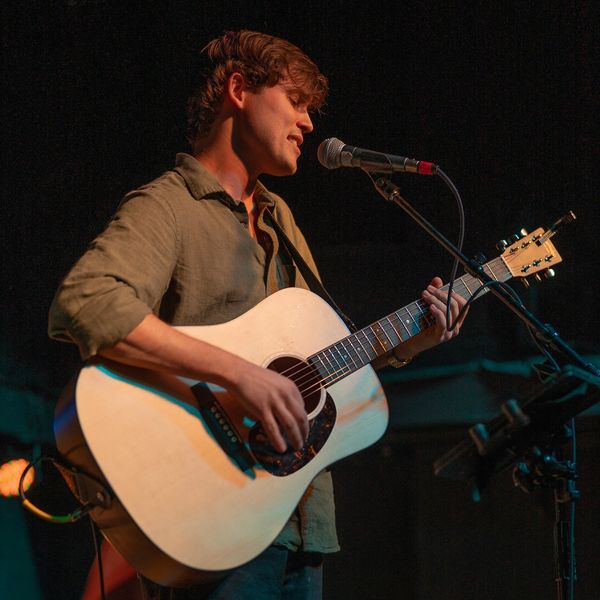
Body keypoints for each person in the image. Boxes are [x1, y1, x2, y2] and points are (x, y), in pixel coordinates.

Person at [48, 30, 468, 600]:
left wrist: (415, 338)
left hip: (299, 522)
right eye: (296, 101)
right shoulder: (169, 205)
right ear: (239, 90)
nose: (309, 123)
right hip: (210, 516)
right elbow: (87, 301)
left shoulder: (280, 221)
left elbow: (322, 359)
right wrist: (240, 374)